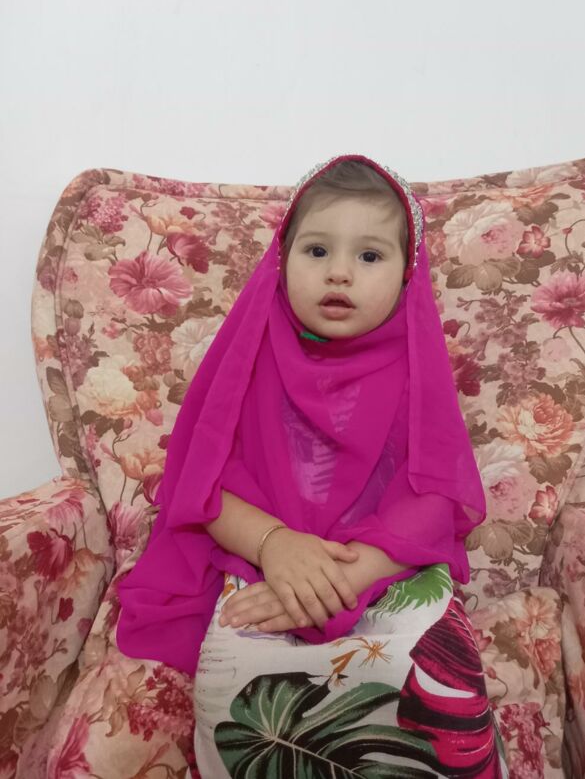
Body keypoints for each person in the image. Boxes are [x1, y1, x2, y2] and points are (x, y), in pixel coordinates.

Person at [116, 154, 508, 778]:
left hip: (388, 564)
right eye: (317, 250)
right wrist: (276, 545)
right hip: (257, 561)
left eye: (370, 255)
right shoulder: (249, 356)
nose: (340, 272)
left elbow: (435, 495)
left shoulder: (417, 368)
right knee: (236, 689)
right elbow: (202, 481)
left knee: (431, 685)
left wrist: (349, 577)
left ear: (408, 273)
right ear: (282, 258)